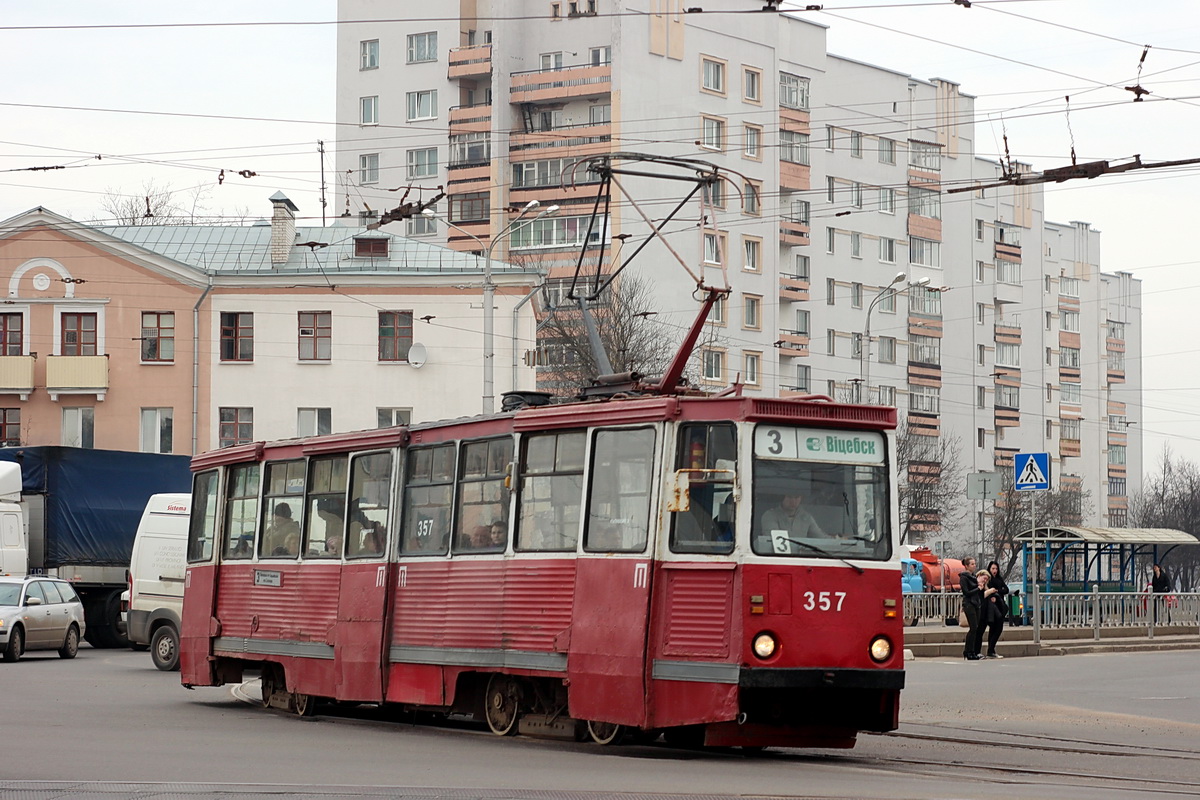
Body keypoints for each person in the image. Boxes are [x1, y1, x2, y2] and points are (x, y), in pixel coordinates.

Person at [760, 491, 828, 552]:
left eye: (796, 497)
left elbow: (820, 537)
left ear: (801, 498)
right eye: (789, 497)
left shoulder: (806, 517)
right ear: (782, 498)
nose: (793, 501)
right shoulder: (770, 515)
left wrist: (837, 540)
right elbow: (774, 540)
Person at [959, 556, 985, 660]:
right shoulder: (964, 577)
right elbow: (966, 592)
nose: (974, 566)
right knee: (973, 628)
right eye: (972, 564)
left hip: (976, 603)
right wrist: (978, 588)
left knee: (976, 628)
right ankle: (968, 651)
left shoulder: (974, 577)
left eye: (974, 564)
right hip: (969, 604)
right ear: (966, 566)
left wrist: (981, 586)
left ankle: (972, 651)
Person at [983, 560, 1009, 659]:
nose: (995, 571)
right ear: (989, 569)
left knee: (997, 628)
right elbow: (987, 591)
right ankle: (990, 649)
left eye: (996, 569)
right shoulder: (988, 579)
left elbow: (1005, 589)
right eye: (993, 568)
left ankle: (991, 649)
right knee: (995, 628)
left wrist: (998, 591)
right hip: (992, 607)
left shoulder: (999, 579)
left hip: (1000, 605)